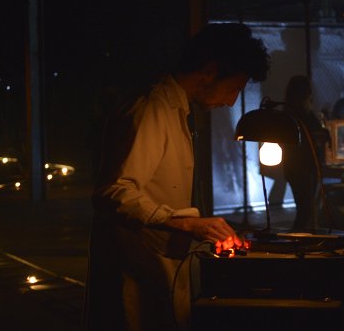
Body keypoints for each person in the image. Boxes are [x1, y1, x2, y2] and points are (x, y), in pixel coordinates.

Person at [83, 23, 270, 330]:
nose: (231, 101)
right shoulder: (152, 107)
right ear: (209, 71)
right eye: (233, 88)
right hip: (133, 265)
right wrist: (185, 222)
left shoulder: (176, 109)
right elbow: (113, 191)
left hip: (155, 265)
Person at [280, 75, 330, 231]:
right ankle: (296, 236)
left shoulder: (289, 112)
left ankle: (298, 235)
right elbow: (317, 133)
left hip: (297, 166)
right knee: (305, 209)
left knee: (304, 208)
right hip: (304, 166)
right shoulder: (301, 114)